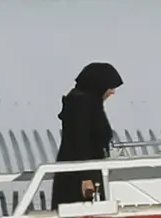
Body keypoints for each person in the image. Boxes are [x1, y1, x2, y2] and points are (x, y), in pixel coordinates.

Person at [50, 62, 123, 210]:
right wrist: (86, 177)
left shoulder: (84, 102)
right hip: (80, 177)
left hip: (83, 172)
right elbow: (80, 141)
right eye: (110, 87)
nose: (113, 92)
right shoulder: (82, 105)